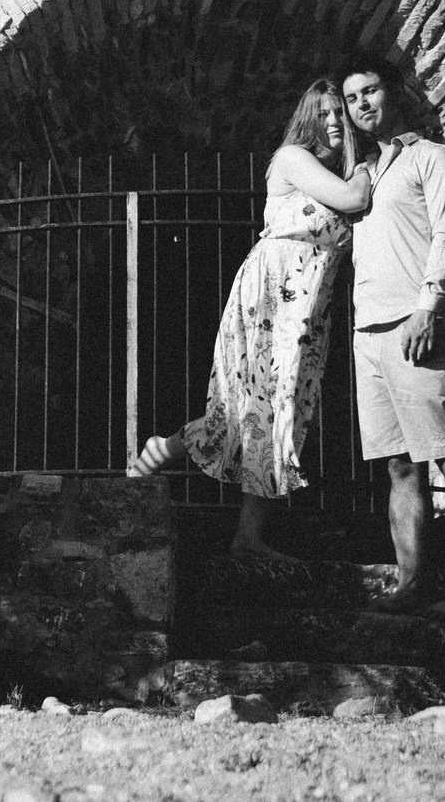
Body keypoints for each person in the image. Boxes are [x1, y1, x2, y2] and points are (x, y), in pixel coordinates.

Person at [128, 79, 371, 565]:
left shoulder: (331, 170)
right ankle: (245, 534)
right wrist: (367, 168)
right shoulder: (292, 158)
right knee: (260, 408)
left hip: (306, 312)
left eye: (340, 113)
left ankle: (172, 459)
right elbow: (352, 200)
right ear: (308, 119)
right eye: (324, 113)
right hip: (271, 302)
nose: (334, 122)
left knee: (270, 415)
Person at [340, 52, 445, 618]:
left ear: (395, 93)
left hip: (418, 324)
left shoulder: (433, 158)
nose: (362, 104)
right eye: (353, 97)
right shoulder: (364, 174)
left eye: (370, 91)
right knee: (399, 466)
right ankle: (411, 585)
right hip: (369, 332)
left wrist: (429, 308)